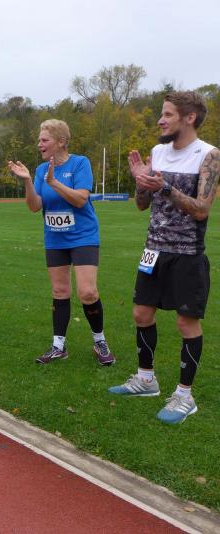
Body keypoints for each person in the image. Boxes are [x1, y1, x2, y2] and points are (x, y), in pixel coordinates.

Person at [109, 91, 219, 424]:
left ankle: (185, 396)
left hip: (186, 253)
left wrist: (165, 187)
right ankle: (146, 380)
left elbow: (202, 210)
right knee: (141, 313)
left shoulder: (209, 155)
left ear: (189, 117)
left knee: (186, 323)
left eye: (168, 114)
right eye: (162, 114)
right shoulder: (158, 152)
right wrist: (141, 183)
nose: (160, 120)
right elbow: (142, 205)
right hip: (153, 250)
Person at [8, 119, 115, 366]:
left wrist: (54, 182)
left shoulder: (80, 163)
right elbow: (35, 206)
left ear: (61, 142)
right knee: (59, 291)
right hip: (55, 237)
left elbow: (81, 199)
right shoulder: (40, 170)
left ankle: (99, 341)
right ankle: (58, 346)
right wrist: (27, 180)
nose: (39, 144)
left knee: (87, 292)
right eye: (39, 140)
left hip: (83, 236)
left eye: (44, 140)